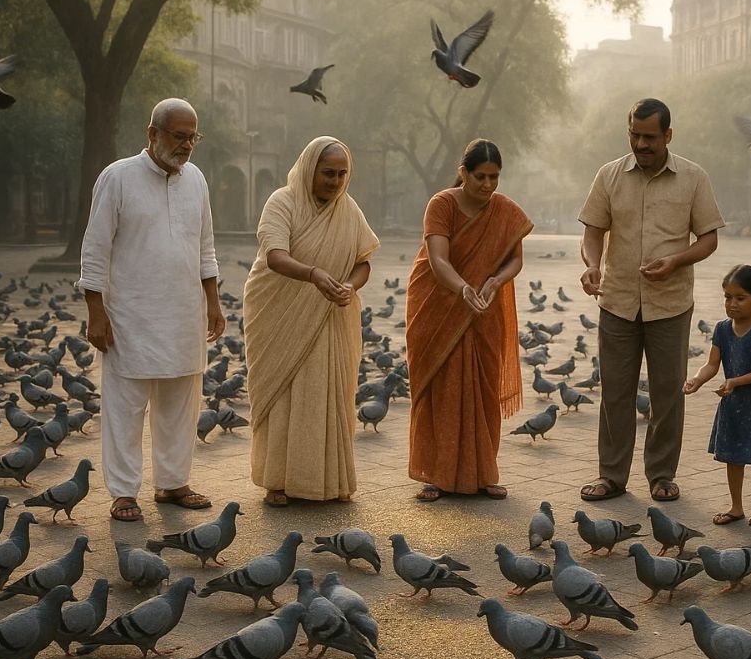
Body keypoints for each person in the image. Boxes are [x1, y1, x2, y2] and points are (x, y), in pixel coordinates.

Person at [78, 97, 222, 522]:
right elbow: (94, 248)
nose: (187, 146)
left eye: (193, 137)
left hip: (184, 313)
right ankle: (123, 493)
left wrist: (213, 302)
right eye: (179, 136)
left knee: (180, 404)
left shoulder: (196, 179)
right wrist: (96, 311)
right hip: (130, 316)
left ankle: (173, 483)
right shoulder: (118, 177)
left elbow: (206, 247)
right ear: (152, 133)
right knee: (125, 408)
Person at [578, 98, 725, 503]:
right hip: (618, 300)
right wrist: (592, 265)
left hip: (670, 303)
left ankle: (661, 475)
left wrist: (677, 260)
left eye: (650, 137)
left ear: (668, 136)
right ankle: (611, 476)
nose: (641, 144)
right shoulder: (608, 176)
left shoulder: (693, 178)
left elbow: (709, 238)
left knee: (666, 394)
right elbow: (593, 231)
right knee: (615, 392)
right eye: (635, 135)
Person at [243, 137, 378, 507]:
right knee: (285, 395)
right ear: (309, 170)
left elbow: (363, 261)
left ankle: (330, 482)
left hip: (332, 313)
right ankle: (279, 481)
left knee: (328, 394)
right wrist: (315, 275)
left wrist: (348, 285)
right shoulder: (282, 202)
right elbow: (274, 256)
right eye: (328, 173)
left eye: (341, 174)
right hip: (280, 312)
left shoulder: (348, 210)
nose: (335, 182)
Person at [406, 139, 532, 501]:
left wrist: (495, 280)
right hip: (438, 302)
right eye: (480, 177)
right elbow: (438, 259)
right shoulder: (442, 204)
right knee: (441, 389)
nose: (488, 185)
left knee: (483, 390)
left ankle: (483, 473)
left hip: (483, 307)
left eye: (495, 177)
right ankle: (435, 474)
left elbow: (514, 260)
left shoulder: (505, 211)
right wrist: (462, 289)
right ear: (463, 172)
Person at [684, 264, 751, 527]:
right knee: (733, 456)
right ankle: (736, 506)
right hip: (733, 402)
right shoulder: (722, 329)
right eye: (728, 297)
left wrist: (735, 381)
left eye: (740, 298)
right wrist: (697, 380)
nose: (732, 304)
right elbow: (712, 364)